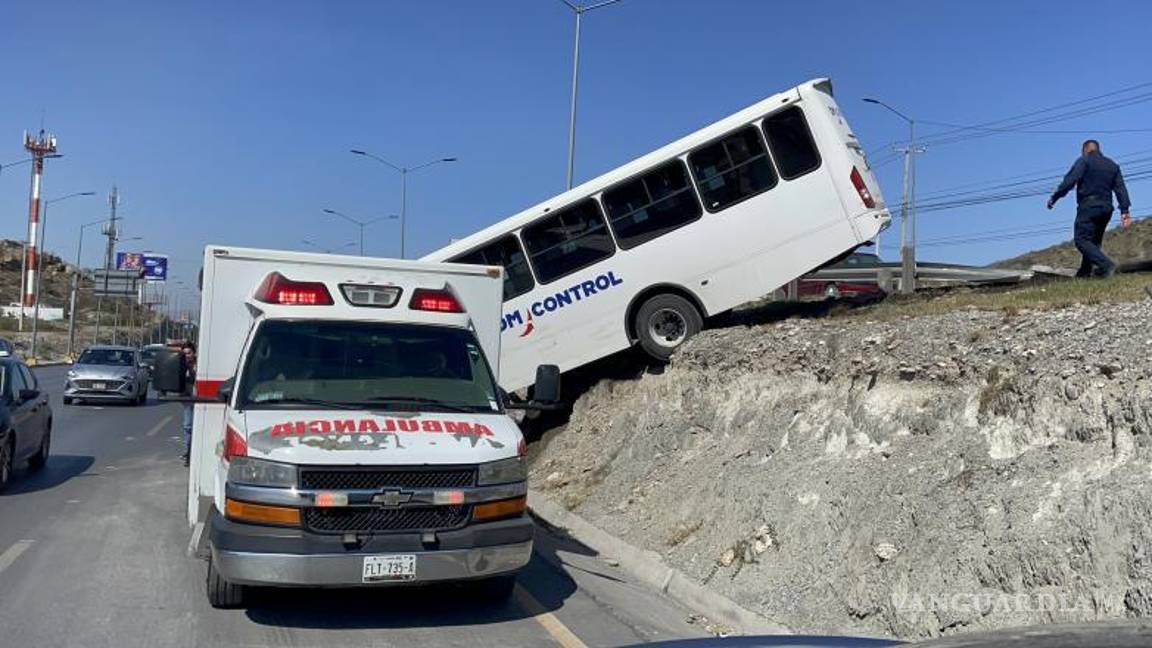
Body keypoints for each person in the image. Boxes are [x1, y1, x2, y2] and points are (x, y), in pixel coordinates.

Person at [1047, 139, 1132, 278]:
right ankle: (1084, 273)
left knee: (1081, 240)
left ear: (1085, 150)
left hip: (1089, 206)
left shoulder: (1084, 161)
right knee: (1093, 243)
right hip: (1106, 208)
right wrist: (1125, 210)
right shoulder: (1113, 165)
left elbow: (1070, 180)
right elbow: (1120, 188)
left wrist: (1055, 197)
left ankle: (1107, 265)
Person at [180, 341, 197, 467]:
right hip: (187, 399)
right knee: (187, 426)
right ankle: (187, 452)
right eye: (184, 354)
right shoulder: (180, 365)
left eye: (189, 353)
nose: (187, 356)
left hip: (200, 398)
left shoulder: (199, 366)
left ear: (194, 353)